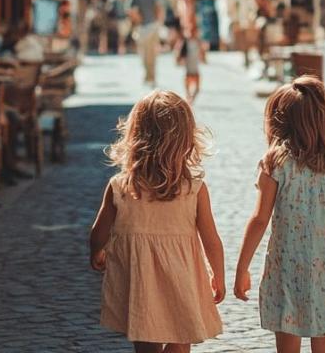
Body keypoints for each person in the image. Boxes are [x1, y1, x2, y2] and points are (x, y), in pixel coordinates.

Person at [234, 76, 325, 353]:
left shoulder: (275, 164)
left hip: (287, 269)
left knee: (287, 341)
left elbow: (260, 219)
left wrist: (241, 267)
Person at [89, 91, 225, 352]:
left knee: (144, 336)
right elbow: (211, 239)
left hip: (139, 277)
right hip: (181, 275)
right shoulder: (193, 189)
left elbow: (99, 231)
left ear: (135, 136)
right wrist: (217, 275)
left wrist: (96, 251)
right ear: (185, 139)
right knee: (180, 335)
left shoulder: (120, 186)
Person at [126, 0, 164, 85]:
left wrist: (138, 19)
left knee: (144, 53)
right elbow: (159, 8)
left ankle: (147, 76)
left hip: (142, 27)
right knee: (153, 53)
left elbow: (130, 10)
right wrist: (158, 22)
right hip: (153, 26)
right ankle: (152, 77)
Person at [176, 26, 206, 103]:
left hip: (195, 68)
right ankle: (189, 97)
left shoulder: (198, 42)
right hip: (189, 68)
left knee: (197, 88)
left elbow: (202, 52)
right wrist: (179, 60)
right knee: (188, 86)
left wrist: (203, 58)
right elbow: (179, 52)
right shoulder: (185, 41)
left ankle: (191, 98)